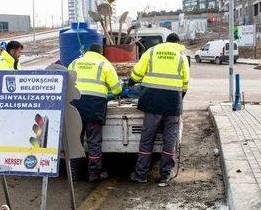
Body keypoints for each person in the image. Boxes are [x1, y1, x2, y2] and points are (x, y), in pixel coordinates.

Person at [127, 33, 189, 186]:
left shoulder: (152, 51)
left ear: (166, 41)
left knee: (147, 139)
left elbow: (137, 72)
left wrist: (130, 83)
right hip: (172, 104)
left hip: (152, 102)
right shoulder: (181, 56)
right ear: (177, 43)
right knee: (169, 141)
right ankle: (165, 176)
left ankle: (141, 175)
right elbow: (185, 83)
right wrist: (178, 99)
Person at [68, 43, 123, 182]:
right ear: (101, 52)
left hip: (74, 106)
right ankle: (94, 174)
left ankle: (73, 174)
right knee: (94, 142)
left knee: (75, 141)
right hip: (94, 106)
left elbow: (66, 84)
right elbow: (117, 90)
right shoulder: (105, 64)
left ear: (87, 51)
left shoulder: (75, 62)